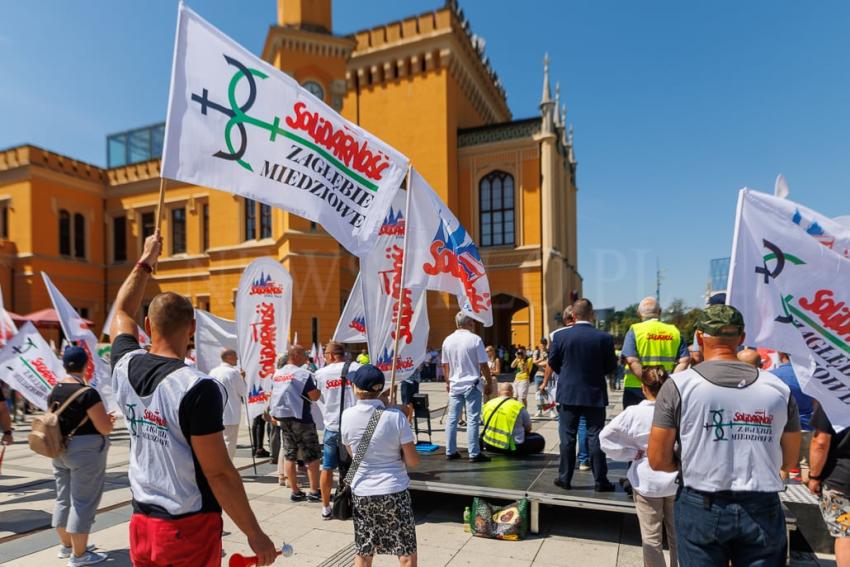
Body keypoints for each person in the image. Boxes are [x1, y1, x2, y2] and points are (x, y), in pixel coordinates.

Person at [109, 230, 276, 567]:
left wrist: (145, 261)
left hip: (141, 523)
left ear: (147, 325)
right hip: (187, 527)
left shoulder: (124, 365)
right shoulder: (196, 387)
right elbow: (220, 474)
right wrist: (255, 533)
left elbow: (120, 312)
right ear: (193, 329)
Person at [648, 304, 801, 566]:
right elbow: (789, 461)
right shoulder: (778, 387)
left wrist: (689, 461)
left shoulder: (679, 385)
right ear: (741, 338)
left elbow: (657, 460)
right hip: (762, 505)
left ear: (698, 337)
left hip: (701, 504)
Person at [340, 365, 419, 567]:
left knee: (364, 552)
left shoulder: (347, 416)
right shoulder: (395, 417)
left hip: (363, 492)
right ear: (381, 389)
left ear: (357, 389)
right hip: (394, 490)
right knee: (406, 554)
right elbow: (413, 461)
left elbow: (354, 455)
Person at [600, 367, 678, 567]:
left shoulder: (634, 412)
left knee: (651, 537)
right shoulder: (679, 410)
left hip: (647, 478)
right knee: (678, 535)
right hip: (676, 476)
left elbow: (605, 438)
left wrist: (631, 453)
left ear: (643, 388)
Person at [49, 346, 115, 566]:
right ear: (86, 365)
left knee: (63, 498)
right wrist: (110, 422)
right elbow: (104, 427)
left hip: (59, 449)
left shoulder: (55, 389)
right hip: (85, 452)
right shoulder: (87, 393)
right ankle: (80, 555)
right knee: (83, 502)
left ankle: (67, 546)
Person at [543, 298, 617, 491]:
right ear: (592, 315)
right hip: (594, 393)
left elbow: (553, 362)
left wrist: (568, 375)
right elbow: (610, 367)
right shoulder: (604, 338)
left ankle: (565, 478)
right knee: (595, 437)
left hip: (568, 393)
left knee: (567, 438)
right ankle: (600, 481)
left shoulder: (561, 337)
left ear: (573, 315)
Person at [269, 344, 322, 501]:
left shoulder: (277, 374)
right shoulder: (302, 374)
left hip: (284, 418)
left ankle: (295, 491)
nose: (307, 357)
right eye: (304, 354)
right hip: (301, 418)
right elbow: (313, 396)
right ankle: (314, 491)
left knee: (290, 454)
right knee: (311, 455)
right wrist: (318, 392)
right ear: (296, 355)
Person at [314, 341, 359, 519]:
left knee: (327, 467)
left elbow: (314, 396)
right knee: (358, 466)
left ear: (332, 355)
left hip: (332, 427)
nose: (325, 358)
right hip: (355, 426)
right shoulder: (356, 368)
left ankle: (325, 507)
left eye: (325, 355)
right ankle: (359, 504)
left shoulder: (320, 373)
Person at [441, 312, 493, 462]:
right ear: (469, 323)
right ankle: (474, 453)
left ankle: (450, 451)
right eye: (473, 322)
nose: (474, 324)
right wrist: (489, 382)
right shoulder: (475, 339)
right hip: (472, 384)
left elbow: (445, 365)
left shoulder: (447, 340)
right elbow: (483, 364)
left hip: (455, 384)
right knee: (472, 419)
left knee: (452, 419)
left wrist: (447, 382)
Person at [621, 297, 690, 409]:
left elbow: (631, 360)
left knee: (635, 424)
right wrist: (667, 381)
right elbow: (685, 360)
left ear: (639, 313)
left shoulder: (635, 330)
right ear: (660, 312)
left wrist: (648, 381)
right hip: (665, 388)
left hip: (636, 387)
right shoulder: (674, 331)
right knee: (663, 424)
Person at [808, 403, 850, 565]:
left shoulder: (832, 400)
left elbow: (820, 442)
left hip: (841, 477)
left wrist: (814, 476)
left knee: (845, 534)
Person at [772, 352, 814, 481]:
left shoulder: (773, 375)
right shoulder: (810, 376)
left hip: (784, 427)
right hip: (808, 426)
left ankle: (782, 496)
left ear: (781, 355)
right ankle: (809, 497)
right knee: (806, 465)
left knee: (783, 465)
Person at [481, 382, 545, 455]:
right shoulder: (518, 406)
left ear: (499, 392)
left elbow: (485, 422)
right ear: (512, 393)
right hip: (511, 447)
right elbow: (528, 428)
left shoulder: (488, 404)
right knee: (539, 439)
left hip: (490, 445)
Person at [208, 348, 246, 460]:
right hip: (231, 413)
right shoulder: (233, 373)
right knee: (229, 442)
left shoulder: (213, 371)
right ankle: (227, 468)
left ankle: (218, 466)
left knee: (218, 442)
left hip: (216, 412)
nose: (237, 359)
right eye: (235, 356)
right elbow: (243, 391)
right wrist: (243, 378)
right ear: (229, 357)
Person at [532, 339, 548, 415]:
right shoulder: (537, 352)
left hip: (547, 375)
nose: (543, 345)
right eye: (542, 343)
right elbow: (534, 362)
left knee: (548, 394)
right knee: (539, 394)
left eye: (545, 343)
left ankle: (550, 409)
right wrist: (541, 359)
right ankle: (539, 409)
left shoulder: (549, 352)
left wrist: (539, 363)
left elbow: (549, 363)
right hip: (538, 374)